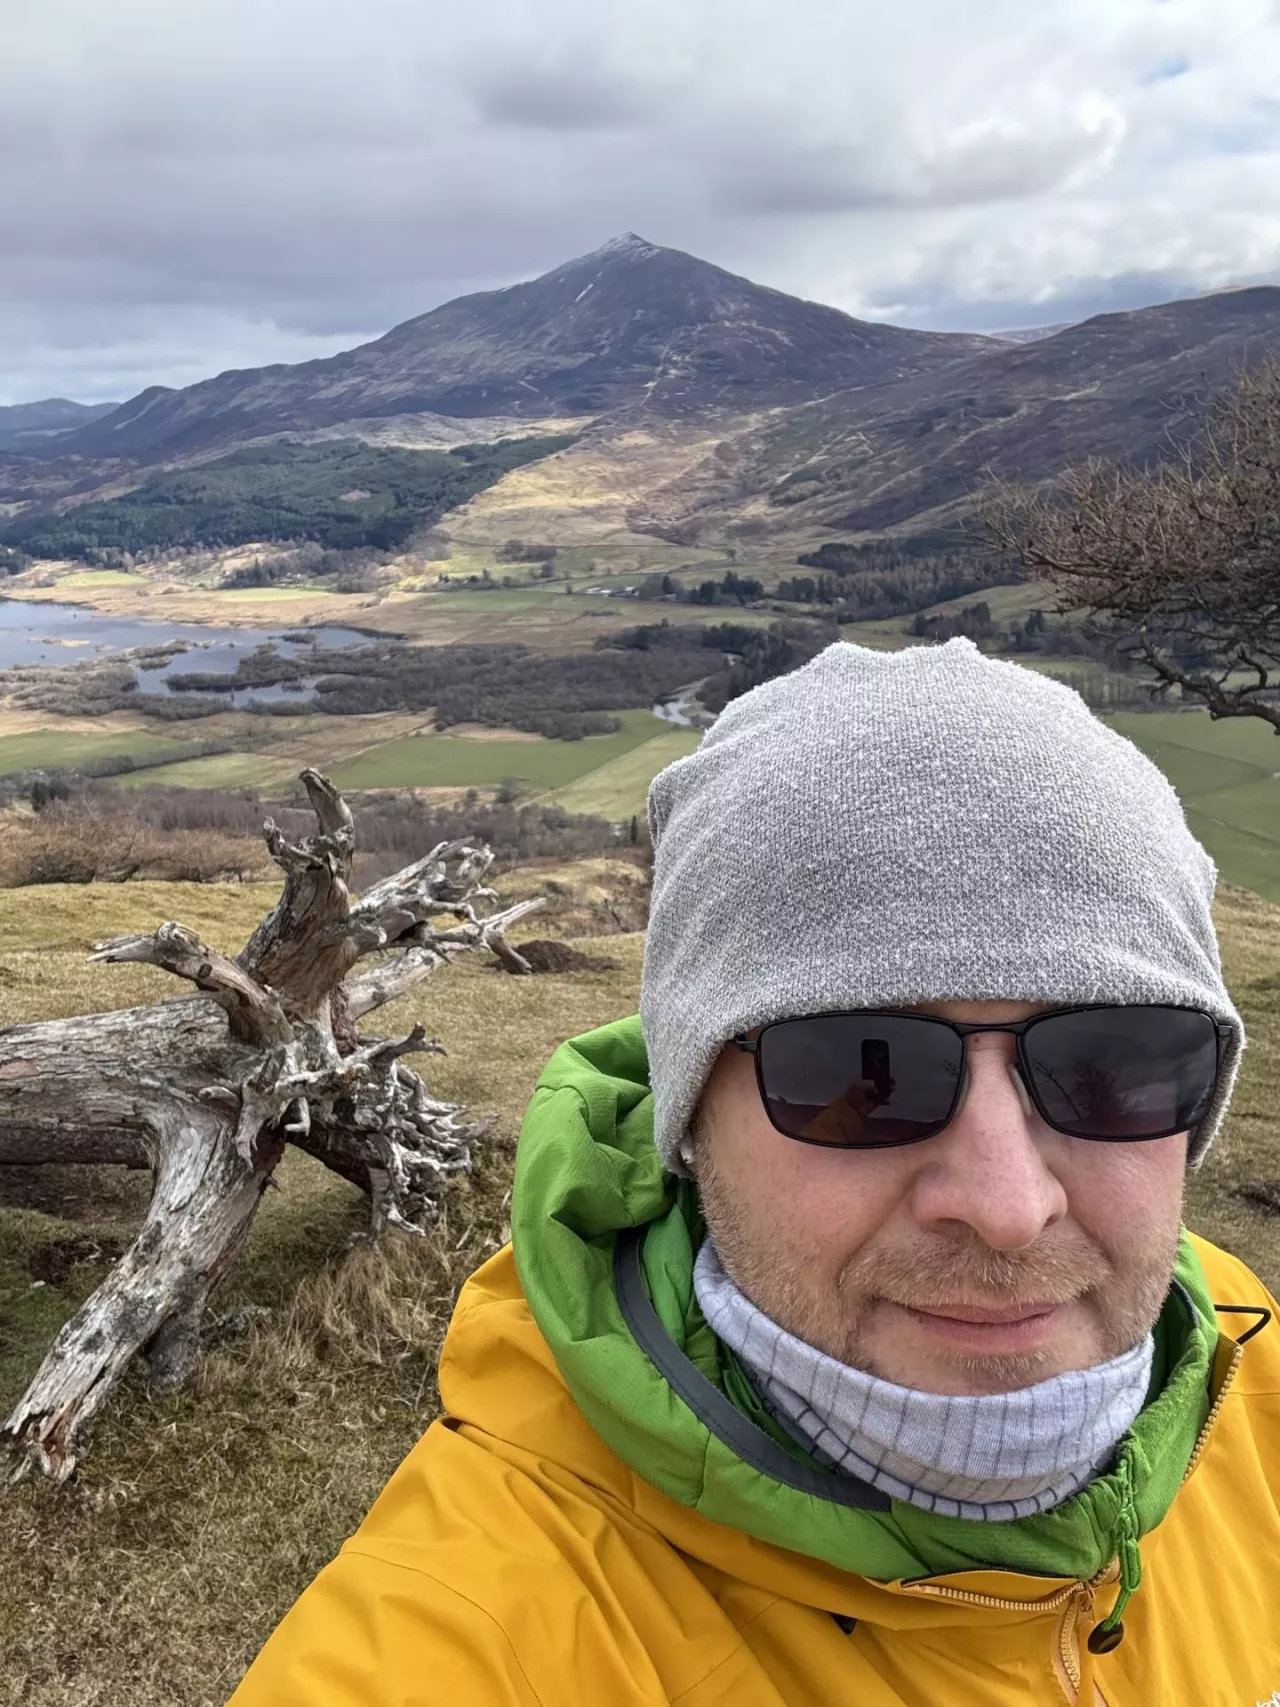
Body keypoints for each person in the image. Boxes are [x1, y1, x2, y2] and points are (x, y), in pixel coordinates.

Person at [229, 638, 1280, 1705]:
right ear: (689, 1121)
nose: (1007, 1207)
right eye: (860, 1072)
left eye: (1112, 1067)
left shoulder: (1247, 1363)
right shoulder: (474, 1643)